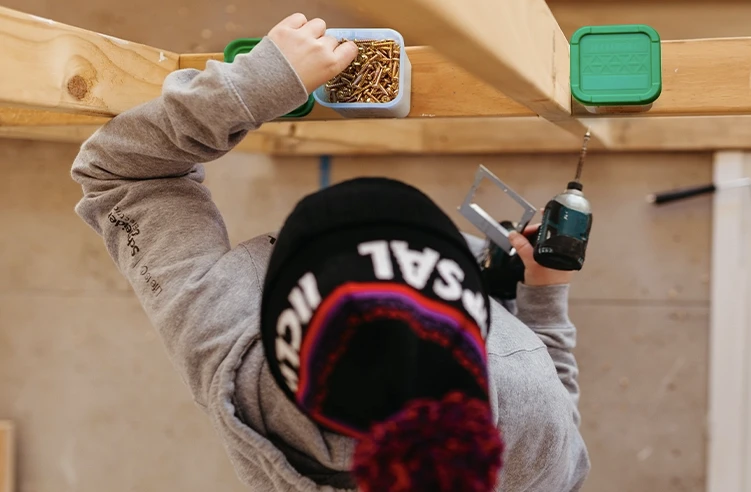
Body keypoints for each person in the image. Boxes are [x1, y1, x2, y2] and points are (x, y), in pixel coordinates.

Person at [70, 12, 590, 492]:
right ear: (481, 329)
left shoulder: (229, 347)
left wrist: (254, 88)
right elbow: (562, 460)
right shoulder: (523, 391)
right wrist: (542, 302)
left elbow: (119, 171)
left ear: (269, 320)